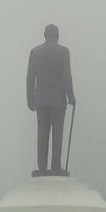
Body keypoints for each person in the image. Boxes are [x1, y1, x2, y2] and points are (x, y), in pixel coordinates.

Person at [26, 24, 75, 174]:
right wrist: (71, 96)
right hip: (58, 100)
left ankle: (42, 166)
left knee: (42, 133)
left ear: (45, 35)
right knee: (57, 134)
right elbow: (66, 76)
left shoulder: (35, 52)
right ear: (57, 35)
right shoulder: (63, 52)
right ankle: (55, 165)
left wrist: (30, 100)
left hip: (41, 100)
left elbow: (30, 78)